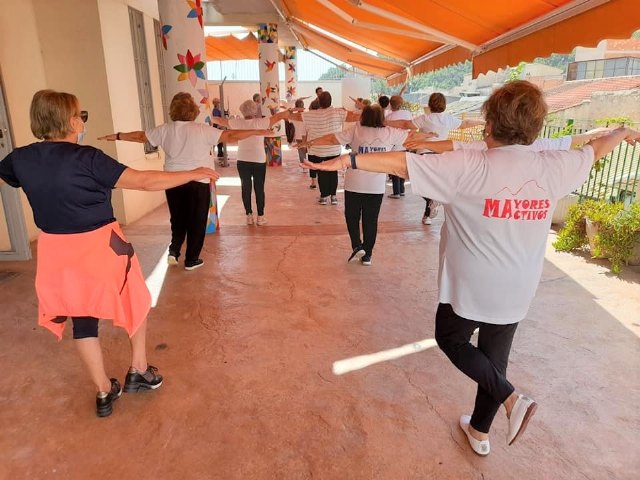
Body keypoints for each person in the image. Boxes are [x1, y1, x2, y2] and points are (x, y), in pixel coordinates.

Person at [304, 80, 640, 456]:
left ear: (490, 125)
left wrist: (348, 160)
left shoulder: (468, 165)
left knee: (451, 339)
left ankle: (512, 399)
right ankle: (480, 432)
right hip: (519, 287)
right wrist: (622, 131)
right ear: (535, 129)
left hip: (471, 286)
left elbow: (403, 163)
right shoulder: (556, 166)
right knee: (494, 359)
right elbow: (595, 150)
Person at [0, 89, 225, 417]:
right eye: (81, 114)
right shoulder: (87, 158)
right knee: (136, 301)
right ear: (69, 119)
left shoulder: (19, 159)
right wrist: (194, 173)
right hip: (101, 245)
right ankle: (138, 370)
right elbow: (144, 182)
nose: (82, 121)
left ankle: (104, 391)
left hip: (56, 252)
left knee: (83, 320)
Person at [100, 93, 271, 269]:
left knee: (177, 218)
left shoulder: (165, 129)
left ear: (173, 110)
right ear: (193, 110)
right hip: (199, 181)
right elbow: (231, 136)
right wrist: (256, 131)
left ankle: (174, 251)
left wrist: (118, 136)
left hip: (172, 180)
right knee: (197, 220)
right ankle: (191, 259)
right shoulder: (202, 129)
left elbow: (140, 137)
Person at [297, 105, 413, 265]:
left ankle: (357, 246)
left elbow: (332, 139)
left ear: (364, 116)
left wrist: (310, 142)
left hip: (354, 184)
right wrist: (434, 139)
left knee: (352, 218)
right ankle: (367, 255)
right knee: (370, 220)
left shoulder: (356, 129)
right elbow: (413, 138)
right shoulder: (390, 132)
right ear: (381, 117)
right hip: (376, 186)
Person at [386, 92, 484, 225]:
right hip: (441, 155)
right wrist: (484, 122)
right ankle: (427, 215)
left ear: (430, 104)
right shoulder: (448, 119)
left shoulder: (425, 118)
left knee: (419, 182)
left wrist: (384, 121)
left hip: (424, 154)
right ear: (444, 105)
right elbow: (465, 123)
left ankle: (431, 203)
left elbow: (404, 124)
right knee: (433, 185)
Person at [211, 99, 290, 226]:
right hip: (258, 160)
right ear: (255, 110)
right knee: (259, 189)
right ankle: (260, 216)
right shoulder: (262, 122)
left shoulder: (236, 122)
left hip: (242, 160)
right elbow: (278, 116)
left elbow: (219, 121)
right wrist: (289, 110)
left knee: (245, 188)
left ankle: (249, 215)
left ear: (242, 110)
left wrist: (207, 117)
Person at [289, 91, 361, 205]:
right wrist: (363, 106)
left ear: (319, 101)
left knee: (321, 172)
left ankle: (323, 196)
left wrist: (289, 110)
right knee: (332, 172)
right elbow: (356, 116)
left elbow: (293, 115)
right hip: (333, 149)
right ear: (330, 101)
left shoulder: (309, 114)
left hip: (316, 149)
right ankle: (333, 196)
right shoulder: (339, 112)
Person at [385, 95, 413, 199]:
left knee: (395, 169)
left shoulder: (389, 117)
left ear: (390, 104)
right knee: (402, 167)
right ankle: (401, 190)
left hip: (395, 145)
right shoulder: (407, 113)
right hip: (406, 143)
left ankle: (396, 192)